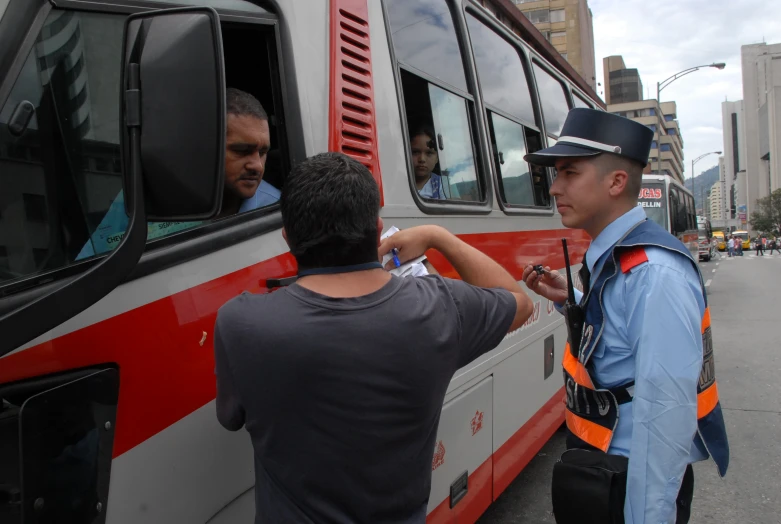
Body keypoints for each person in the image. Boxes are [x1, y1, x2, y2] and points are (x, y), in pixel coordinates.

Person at [213, 152, 534, 523]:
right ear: (377, 229)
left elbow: (231, 417)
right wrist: (437, 236)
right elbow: (521, 302)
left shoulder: (241, 322)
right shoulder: (442, 307)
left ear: (288, 237)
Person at [520, 108, 729, 524]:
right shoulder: (620, 257)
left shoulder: (653, 273)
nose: (555, 188)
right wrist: (574, 300)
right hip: (603, 469)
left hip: (629, 479)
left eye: (569, 172)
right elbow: (621, 341)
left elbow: (665, 415)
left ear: (616, 182)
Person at [76, 88, 279, 259]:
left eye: (262, 153)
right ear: (205, 148)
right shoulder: (142, 199)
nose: (257, 166)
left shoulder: (277, 209)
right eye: (242, 151)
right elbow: (89, 267)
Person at [410, 124, 447, 200]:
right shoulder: (400, 182)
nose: (422, 159)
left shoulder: (442, 184)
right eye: (415, 152)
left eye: (429, 153)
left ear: (437, 158)